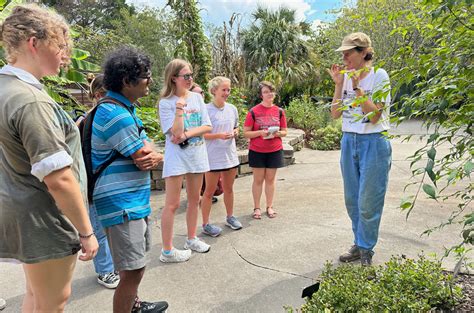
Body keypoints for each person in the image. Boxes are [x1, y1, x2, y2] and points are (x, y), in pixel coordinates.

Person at [0, 5, 98, 312]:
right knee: (54, 301)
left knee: (36, 295)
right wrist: (86, 231)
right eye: (60, 46)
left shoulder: (6, 89)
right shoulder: (30, 101)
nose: (65, 55)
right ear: (34, 42)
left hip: (20, 210)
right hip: (44, 218)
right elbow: (58, 178)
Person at [91, 46, 167, 312]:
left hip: (130, 201)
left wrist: (153, 154)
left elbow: (148, 149)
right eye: (145, 75)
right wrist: (157, 156)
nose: (150, 80)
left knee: (134, 267)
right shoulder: (115, 114)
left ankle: (133, 305)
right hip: (122, 204)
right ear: (127, 81)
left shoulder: (124, 109)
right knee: (132, 270)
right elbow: (143, 155)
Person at [327, 32, 392, 266]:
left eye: (348, 53)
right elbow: (335, 114)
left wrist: (357, 88)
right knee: (352, 200)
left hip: (373, 142)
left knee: (368, 201)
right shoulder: (344, 77)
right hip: (349, 140)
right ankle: (359, 242)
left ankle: (366, 249)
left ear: (364, 53)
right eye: (343, 53)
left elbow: (374, 117)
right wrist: (338, 85)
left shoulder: (379, 76)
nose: (344, 57)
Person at [158, 59, 212, 263]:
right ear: (174, 78)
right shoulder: (166, 103)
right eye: (185, 76)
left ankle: (191, 238)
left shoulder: (197, 99)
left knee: (194, 199)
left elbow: (207, 126)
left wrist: (187, 134)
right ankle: (167, 250)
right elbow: (174, 132)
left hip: (196, 155)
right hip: (177, 158)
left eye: (191, 75)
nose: (190, 79)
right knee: (171, 204)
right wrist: (179, 109)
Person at [75, 74, 120, 289]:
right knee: (98, 230)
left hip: (108, 183)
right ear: (101, 95)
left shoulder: (108, 117)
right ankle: (104, 270)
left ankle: (111, 265)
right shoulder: (86, 120)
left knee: (110, 227)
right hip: (92, 184)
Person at [200, 76, 243, 237]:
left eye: (228, 90)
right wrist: (218, 135)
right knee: (209, 192)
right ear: (213, 91)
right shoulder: (205, 109)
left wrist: (235, 132)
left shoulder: (232, 108)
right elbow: (201, 134)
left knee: (229, 189)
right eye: (223, 90)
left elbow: (236, 127)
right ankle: (205, 224)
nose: (227, 93)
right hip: (211, 158)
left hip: (229, 156)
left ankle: (230, 217)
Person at [243, 81, 287, 219]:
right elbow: (246, 133)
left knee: (270, 179)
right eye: (266, 92)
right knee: (258, 180)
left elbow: (285, 131)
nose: (269, 94)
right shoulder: (253, 111)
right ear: (261, 95)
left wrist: (278, 133)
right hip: (257, 150)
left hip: (275, 149)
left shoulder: (279, 111)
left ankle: (269, 206)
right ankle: (256, 207)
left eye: (271, 91)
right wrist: (260, 133)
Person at [190, 82, 219, 204]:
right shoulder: (188, 110)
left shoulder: (207, 108)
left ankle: (205, 195)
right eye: (197, 93)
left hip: (209, 148)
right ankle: (195, 197)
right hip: (194, 147)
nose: (200, 95)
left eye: (201, 92)